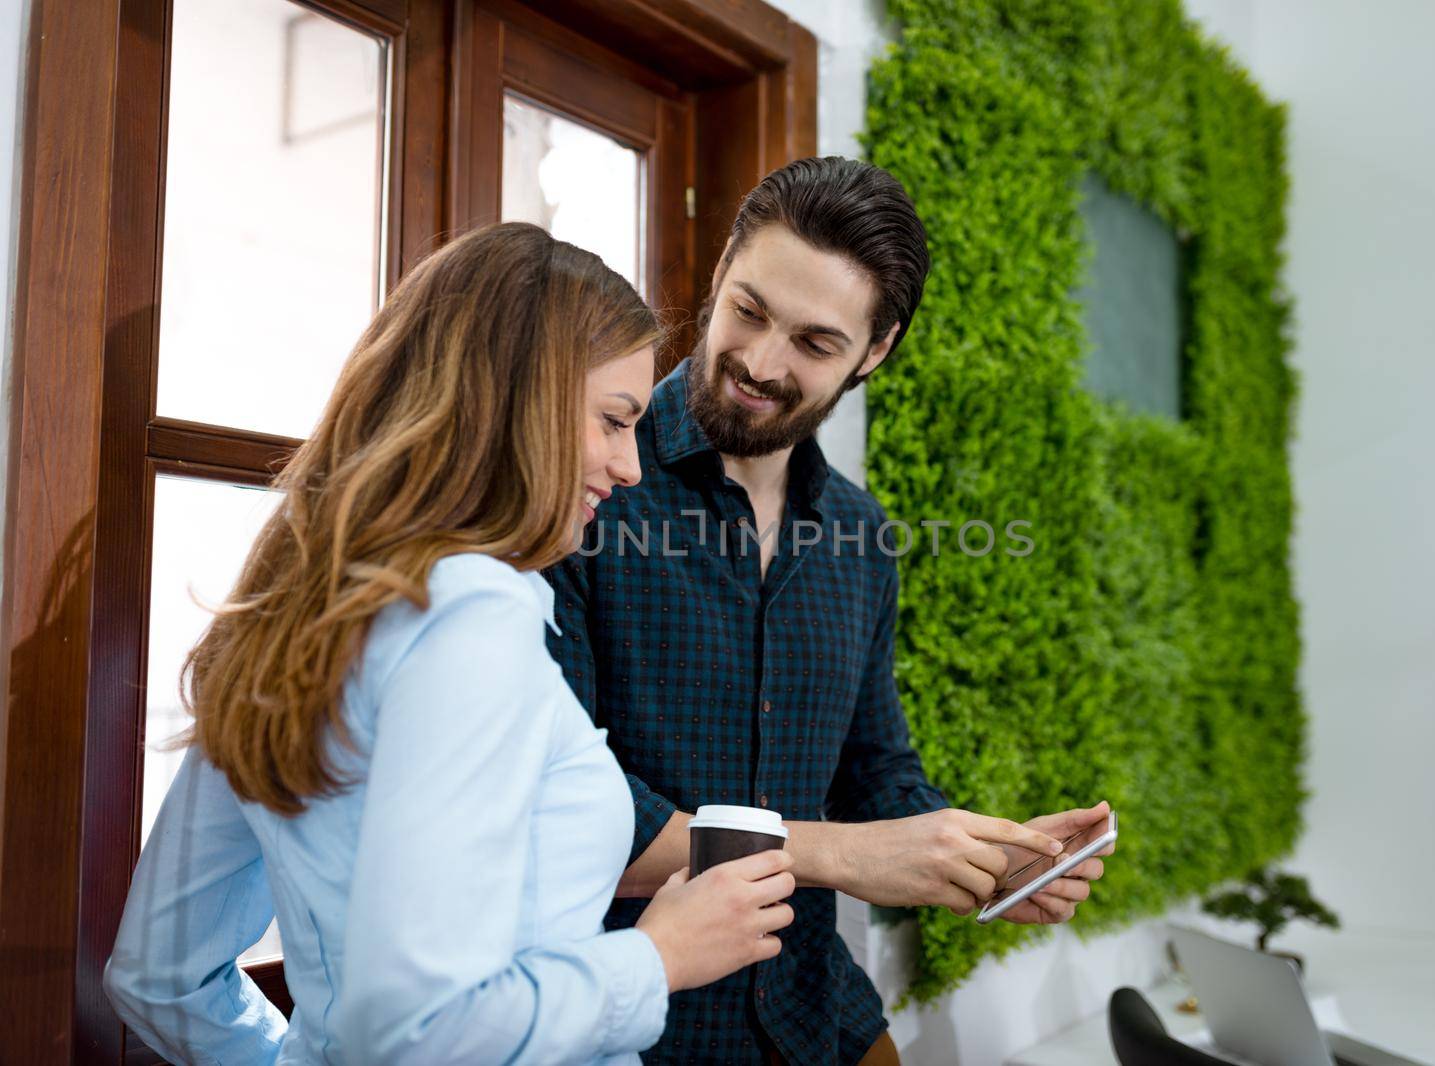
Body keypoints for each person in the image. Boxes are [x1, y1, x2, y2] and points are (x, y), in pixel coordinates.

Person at [104, 223, 797, 1065]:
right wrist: (660, 958)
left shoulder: (285, 615)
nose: (630, 467)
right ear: (512, 402)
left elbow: (157, 977)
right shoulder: (470, 612)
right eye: (613, 421)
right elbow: (423, 1025)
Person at [545, 157, 1114, 1065]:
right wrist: (841, 857)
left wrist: (978, 854)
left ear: (873, 353)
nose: (760, 364)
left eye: (814, 344)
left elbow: (874, 767)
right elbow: (561, 822)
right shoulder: (586, 486)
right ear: (722, 266)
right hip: (636, 1016)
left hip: (816, 1009)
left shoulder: (859, 532)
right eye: (748, 311)